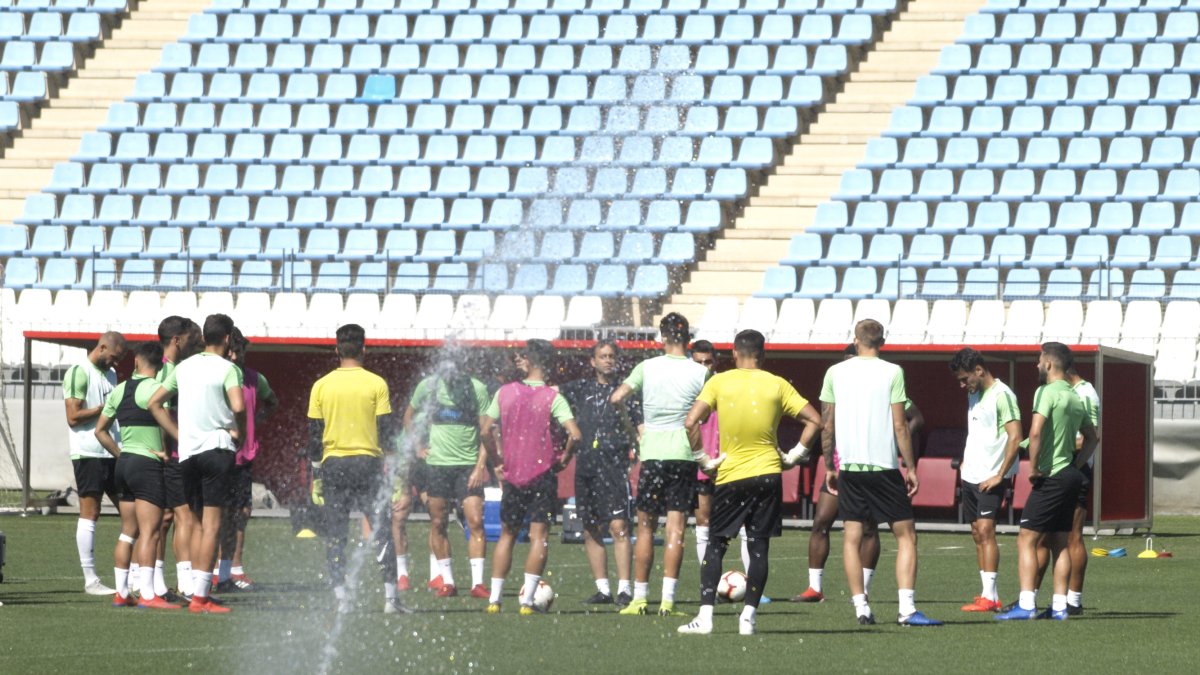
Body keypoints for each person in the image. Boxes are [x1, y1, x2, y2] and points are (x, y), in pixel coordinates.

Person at [677, 330, 821, 636]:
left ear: (733, 353)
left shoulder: (718, 381)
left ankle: (705, 618)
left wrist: (702, 458)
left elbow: (691, 422)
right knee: (759, 548)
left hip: (731, 476)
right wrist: (794, 456)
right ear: (763, 354)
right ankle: (749, 617)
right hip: (768, 474)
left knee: (716, 544)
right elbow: (815, 421)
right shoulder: (778, 383)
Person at [822, 319, 941, 626]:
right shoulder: (893, 371)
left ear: (855, 339)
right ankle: (906, 609)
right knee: (906, 536)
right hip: (884, 468)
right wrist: (911, 466)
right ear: (883, 341)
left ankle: (861, 606)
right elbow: (901, 424)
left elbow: (827, 424)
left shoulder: (835, 372)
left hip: (849, 466)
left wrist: (829, 466)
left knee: (851, 537)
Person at [795, 343, 925, 603]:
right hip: (842, 465)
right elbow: (827, 424)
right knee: (822, 521)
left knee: (867, 528)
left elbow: (914, 418)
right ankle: (814, 587)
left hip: (871, 465)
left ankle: (862, 591)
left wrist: (892, 441)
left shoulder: (880, 380)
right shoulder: (840, 378)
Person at [610, 313, 719, 617]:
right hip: (683, 456)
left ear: (662, 336)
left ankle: (640, 598)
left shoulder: (646, 367)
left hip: (653, 454)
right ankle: (668, 602)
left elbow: (617, 397)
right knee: (676, 531)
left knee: (645, 527)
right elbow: (703, 416)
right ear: (688, 339)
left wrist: (637, 429)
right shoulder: (701, 372)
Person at [305, 324, 406, 615]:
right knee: (382, 530)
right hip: (368, 464)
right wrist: (396, 476)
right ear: (364, 349)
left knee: (336, 533)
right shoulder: (377, 383)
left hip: (333, 465)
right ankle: (390, 600)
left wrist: (316, 477)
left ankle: (341, 599)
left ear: (336, 349)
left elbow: (314, 435)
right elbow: (387, 433)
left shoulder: (321, 385)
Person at [149, 314, 246, 614]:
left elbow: (154, 403)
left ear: (204, 336)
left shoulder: (183, 367)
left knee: (191, 522)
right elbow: (239, 406)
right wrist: (239, 433)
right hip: (216, 449)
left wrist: (179, 435)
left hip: (188, 455)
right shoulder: (229, 368)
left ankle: (190, 586)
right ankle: (201, 596)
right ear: (228, 338)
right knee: (213, 526)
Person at [996, 343, 1099, 621]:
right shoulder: (1076, 397)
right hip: (1070, 476)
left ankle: (1026, 604)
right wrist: (1075, 466)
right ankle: (1060, 607)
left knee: (1026, 539)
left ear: (1050, 364)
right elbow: (1093, 438)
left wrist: (1033, 468)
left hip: (1051, 476)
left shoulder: (1045, 392)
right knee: (1060, 543)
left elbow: (1037, 431)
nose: (1036, 365)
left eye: (1039, 360)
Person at [481, 339, 581, 615]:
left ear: (531, 360)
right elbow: (576, 434)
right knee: (539, 535)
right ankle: (526, 603)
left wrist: (498, 460)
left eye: (522, 356)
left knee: (507, 534)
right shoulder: (553, 397)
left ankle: (495, 599)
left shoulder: (505, 392)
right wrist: (565, 457)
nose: (518, 360)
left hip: (512, 474)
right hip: (542, 474)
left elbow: (485, 430)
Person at [95, 341, 179, 609]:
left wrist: (121, 454)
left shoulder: (119, 390)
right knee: (150, 533)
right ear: (160, 365)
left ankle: (121, 593)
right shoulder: (155, 389)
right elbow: (164, 424)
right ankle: (148, 594)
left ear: (135, 363)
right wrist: (166, 450)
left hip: (124, 464)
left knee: (127, 532)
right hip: (147, 465)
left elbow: (100, 430)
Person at [405, 360, 491, 599]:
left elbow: (486, 431)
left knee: (475, 521)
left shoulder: (476, 388)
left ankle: (478, 584)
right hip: (438, 466)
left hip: (467, 466)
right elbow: (408, 417)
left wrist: (479, 466)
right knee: (438, 522)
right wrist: (418, 446)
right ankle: (448, 582)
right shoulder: (429, 386)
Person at [560, 340, 637, 607]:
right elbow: (551, 396)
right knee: (590, 528)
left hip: (614, 467)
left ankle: (625, 589)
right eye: (602, 356)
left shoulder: (627, 391)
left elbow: (639, 426)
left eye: (611, 356)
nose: (607, 360)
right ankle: (603, 590)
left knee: (619, 526)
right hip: (586, 467)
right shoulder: (580, 388)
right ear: (592, 362)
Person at [948, 347, 1022, 613]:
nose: (962, 384)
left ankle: (991, 597)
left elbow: (1015, 436)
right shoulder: (974, 393)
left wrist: (999, 475)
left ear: (979, 370)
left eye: (965, 378)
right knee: (977, 533)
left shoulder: (1003, 395)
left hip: (992, 477)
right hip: (971, 475)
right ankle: (986, 594)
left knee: (987, 531)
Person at [213, 329, 278, 592]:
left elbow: (272, 402)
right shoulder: (216, 377)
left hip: (244, 456)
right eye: (233, 351)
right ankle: (213, 570)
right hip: (219, 453)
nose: (236, 356)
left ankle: (233, 569)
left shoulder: (254, 379)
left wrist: (255, 423)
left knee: (242, 513)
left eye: (240, 351)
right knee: (216, 514)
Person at [63, 331, 127, 596]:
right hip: (88, 451)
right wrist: (103, 409)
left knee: (131, 510)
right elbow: (73, 416)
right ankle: (90, 580)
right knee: (91, 512)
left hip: (112, 451)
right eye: (114, 357)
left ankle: (132, 576)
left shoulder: (111, 375)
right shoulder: (78, 372)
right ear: (102, 348)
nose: (116, 363)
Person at [156, 316, 203, 601]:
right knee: (182, 516)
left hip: (173, 454)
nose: (193, 344)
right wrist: (170, 446)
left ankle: (156, 581)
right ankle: (185, 584)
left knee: (167, 518)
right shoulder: (170, 372)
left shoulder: (173, 369)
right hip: (172, 456)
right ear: (177, 340)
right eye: (189, 338)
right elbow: (157, 409)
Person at [1062, 365, 1099, 615]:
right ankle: (1052, 598)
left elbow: (1089, 436)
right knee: (1052, 536)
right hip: (1065, 468)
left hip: (1076, 469)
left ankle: (1073, 601)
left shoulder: (1084, 393)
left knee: (1074, 535)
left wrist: (1057, 450)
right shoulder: (1072, 391)